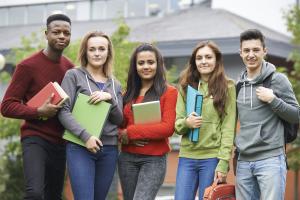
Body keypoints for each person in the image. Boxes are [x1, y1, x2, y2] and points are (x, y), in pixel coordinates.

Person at [0, 14, 73, 200]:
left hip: (60, 142)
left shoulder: (70, 69)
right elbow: (7, 106)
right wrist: (38, 112)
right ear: (46, 34)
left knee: (54, 195)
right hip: (35, 138)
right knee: (35, 193)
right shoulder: (27, 66)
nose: (62, 36)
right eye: (56, 32)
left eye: (66, 33)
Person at [235, 29, 299, 200]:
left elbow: (296, 115)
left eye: (256, 50)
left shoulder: (278, 80)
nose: (251, 55)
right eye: (246, 50)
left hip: (270, 159)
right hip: (243, 161)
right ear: (240, 53)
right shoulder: (237, 86)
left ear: (265, 51)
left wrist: (273, 100)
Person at [58, 31, 123, 200]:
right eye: (92, 49)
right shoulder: (73, 76)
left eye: (102, 49)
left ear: (108, 52)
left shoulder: (115, 84)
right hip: (80, 147)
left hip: (108, 149)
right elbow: (63, 112)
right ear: (85, 52)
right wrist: (86, 137)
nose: (97, 53)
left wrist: (110, 99)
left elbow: (119, 119)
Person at [174, 40, 236, 200]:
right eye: (199, 58)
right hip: (187, 156)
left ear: (216, 59)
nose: (203, 61)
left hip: (212, 157)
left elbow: (228, 128)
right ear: (194, 61)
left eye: (208, 57)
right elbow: (177, 125)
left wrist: (223, 161)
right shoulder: (185, 86)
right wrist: (186, 123)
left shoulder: (228, 86)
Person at [118, 43, 178, 200]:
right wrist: (121, 134)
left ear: (158, 64)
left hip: (153, 160)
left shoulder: (169, 92)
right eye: (141, 63)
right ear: (135, 66)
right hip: (127, 159)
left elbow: (167, 128)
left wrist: (131, 133)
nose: (146, 66)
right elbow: (118, 126)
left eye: (150, 62)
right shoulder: (127, 93)